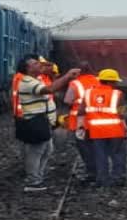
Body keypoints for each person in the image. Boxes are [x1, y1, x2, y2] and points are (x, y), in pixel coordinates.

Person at [15, 55, 79, 192]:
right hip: (35, 121)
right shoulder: (27, 82)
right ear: (28, 69)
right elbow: (49, 90)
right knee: (35, 151)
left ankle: (38, 176)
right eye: (35, 64)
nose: (39, 65)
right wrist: (67, 76)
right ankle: (33, 181)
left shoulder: (35, 79)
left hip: (42, 121)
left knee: (47, 150)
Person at [80, 68, 127, 187]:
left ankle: (102, 179)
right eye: (115, 82)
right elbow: (121, 113)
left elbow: (81, 112)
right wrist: (126, 127)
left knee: (100, 155)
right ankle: (118, 178)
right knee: (118, 154)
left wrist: (80, 127)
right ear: (110, 82)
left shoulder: (88, 93)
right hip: (115, 130)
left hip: (96, 131)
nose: (116, 84)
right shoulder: (118, 94)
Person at [63, 61, 99, 181]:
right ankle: (100, 170)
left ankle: (91, 172)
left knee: (84, 148)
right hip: (96, 120)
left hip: (79, 122)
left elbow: (68, 100)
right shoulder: (98, 81)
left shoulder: (75, 83)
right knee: (96, 147)